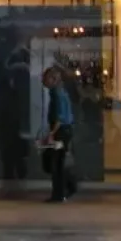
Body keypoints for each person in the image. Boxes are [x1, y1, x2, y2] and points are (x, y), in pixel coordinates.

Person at [42, 66, 77, 203]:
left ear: (53, 79)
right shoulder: (60, 92)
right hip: (64, 131)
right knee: (58, 161)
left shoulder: (57, 94)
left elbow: (60, 117)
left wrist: (52, 133)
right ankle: (65, 189)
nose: (43, 81)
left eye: (45, 78)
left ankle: (60, 192)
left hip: (60, 132)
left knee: (56, 163)